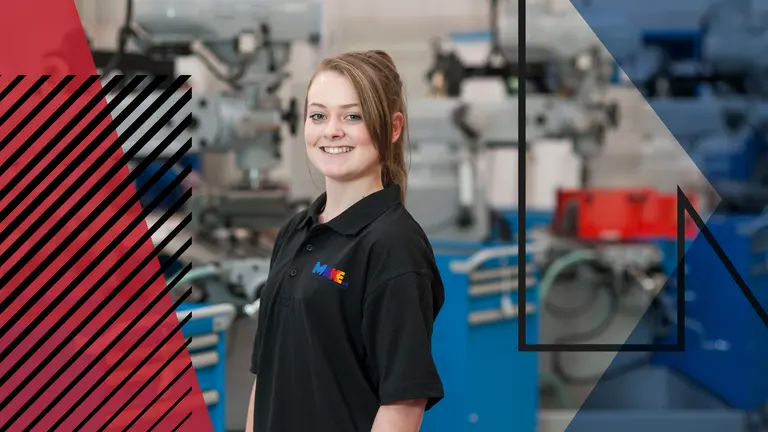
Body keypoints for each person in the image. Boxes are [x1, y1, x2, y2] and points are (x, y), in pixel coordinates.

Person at [245, 50, 445, 432]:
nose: (332, 130)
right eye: (318, 116)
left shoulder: (394, 246)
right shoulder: (295, 232)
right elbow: (265, 377)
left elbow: (403, 404)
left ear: (394, 127)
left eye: (353, 116)